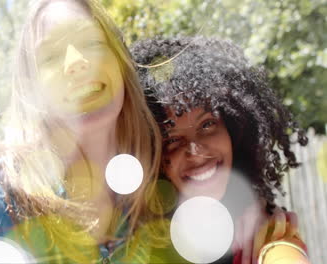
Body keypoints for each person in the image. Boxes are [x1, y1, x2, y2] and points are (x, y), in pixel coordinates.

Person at [0, 0, 164, 263]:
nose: (76, 62)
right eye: (50, 56)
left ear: (121, 64)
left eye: (91, 42)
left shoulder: (159, 202)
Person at [131, 36, 310, 264]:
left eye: (207, 124)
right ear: (153, 155)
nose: (195, 151)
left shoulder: (269, 238)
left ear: (235, 131)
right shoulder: (134, 246)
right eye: (172, 139)